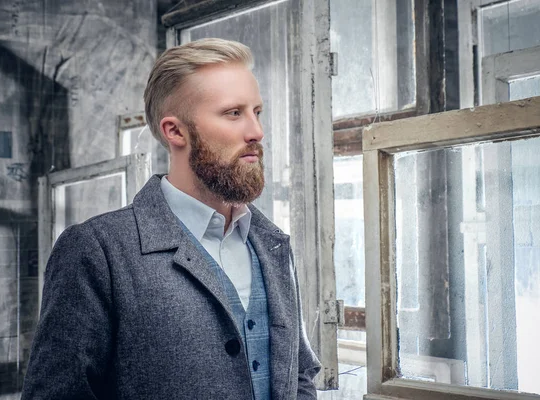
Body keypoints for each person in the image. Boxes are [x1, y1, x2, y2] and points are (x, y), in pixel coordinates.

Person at [21, 38, 321, 400]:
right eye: (233, 113)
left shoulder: (273, 245)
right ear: (175, 131)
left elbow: (299, 373)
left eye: (257, 111)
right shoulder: (97, 251)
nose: (256, 131)